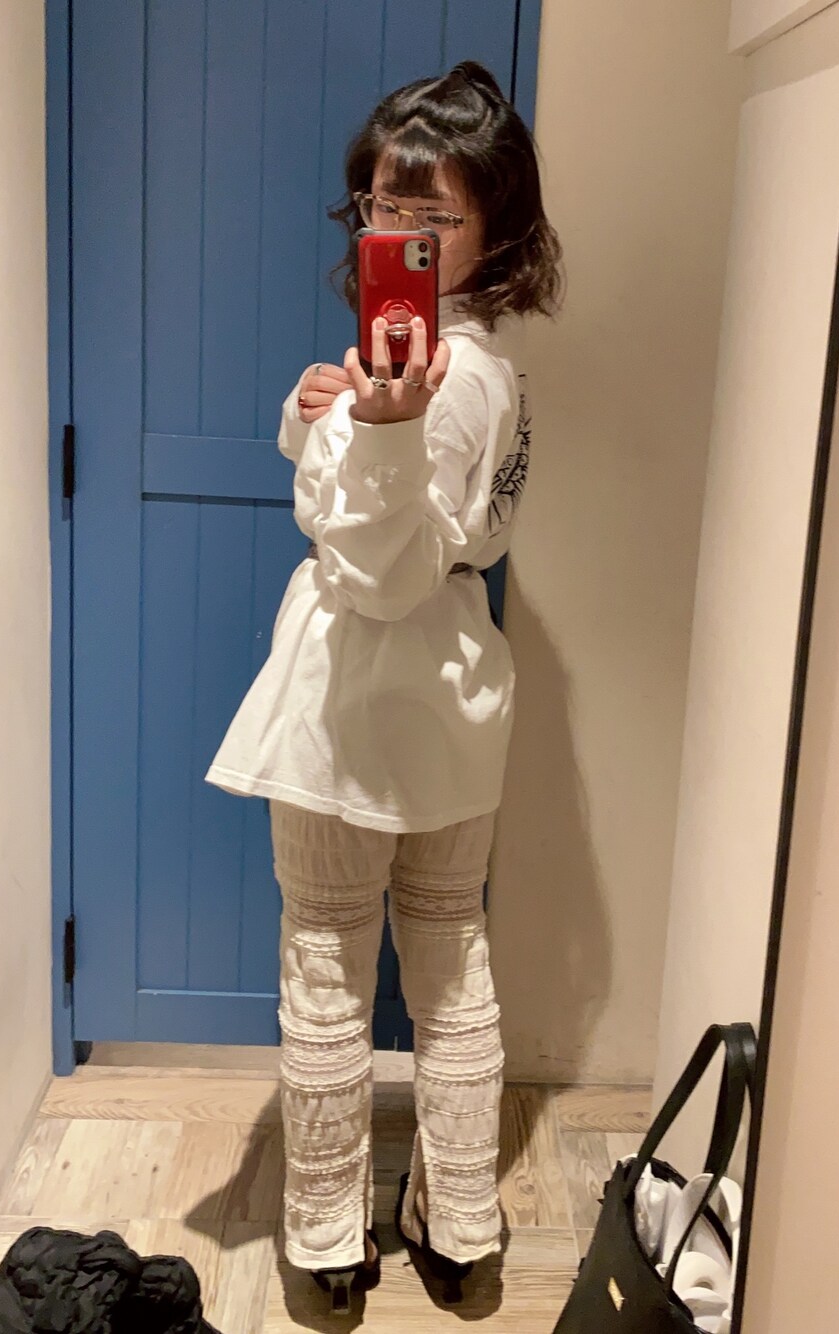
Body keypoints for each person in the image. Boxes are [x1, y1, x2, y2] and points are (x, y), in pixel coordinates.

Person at [206, 60, 562, 1315]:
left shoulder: (434, 385)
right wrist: (327, 411)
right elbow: (445, 534)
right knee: (451, 951)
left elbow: (377, 575)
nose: (395, 231)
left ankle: (323, 1236)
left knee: (326, 959)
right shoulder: (485, 367)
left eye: (429, 215)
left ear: (494, 225)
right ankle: (458, 1226)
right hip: (454, 703)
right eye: (378, 205)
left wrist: (380, 430)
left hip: (354, 704)